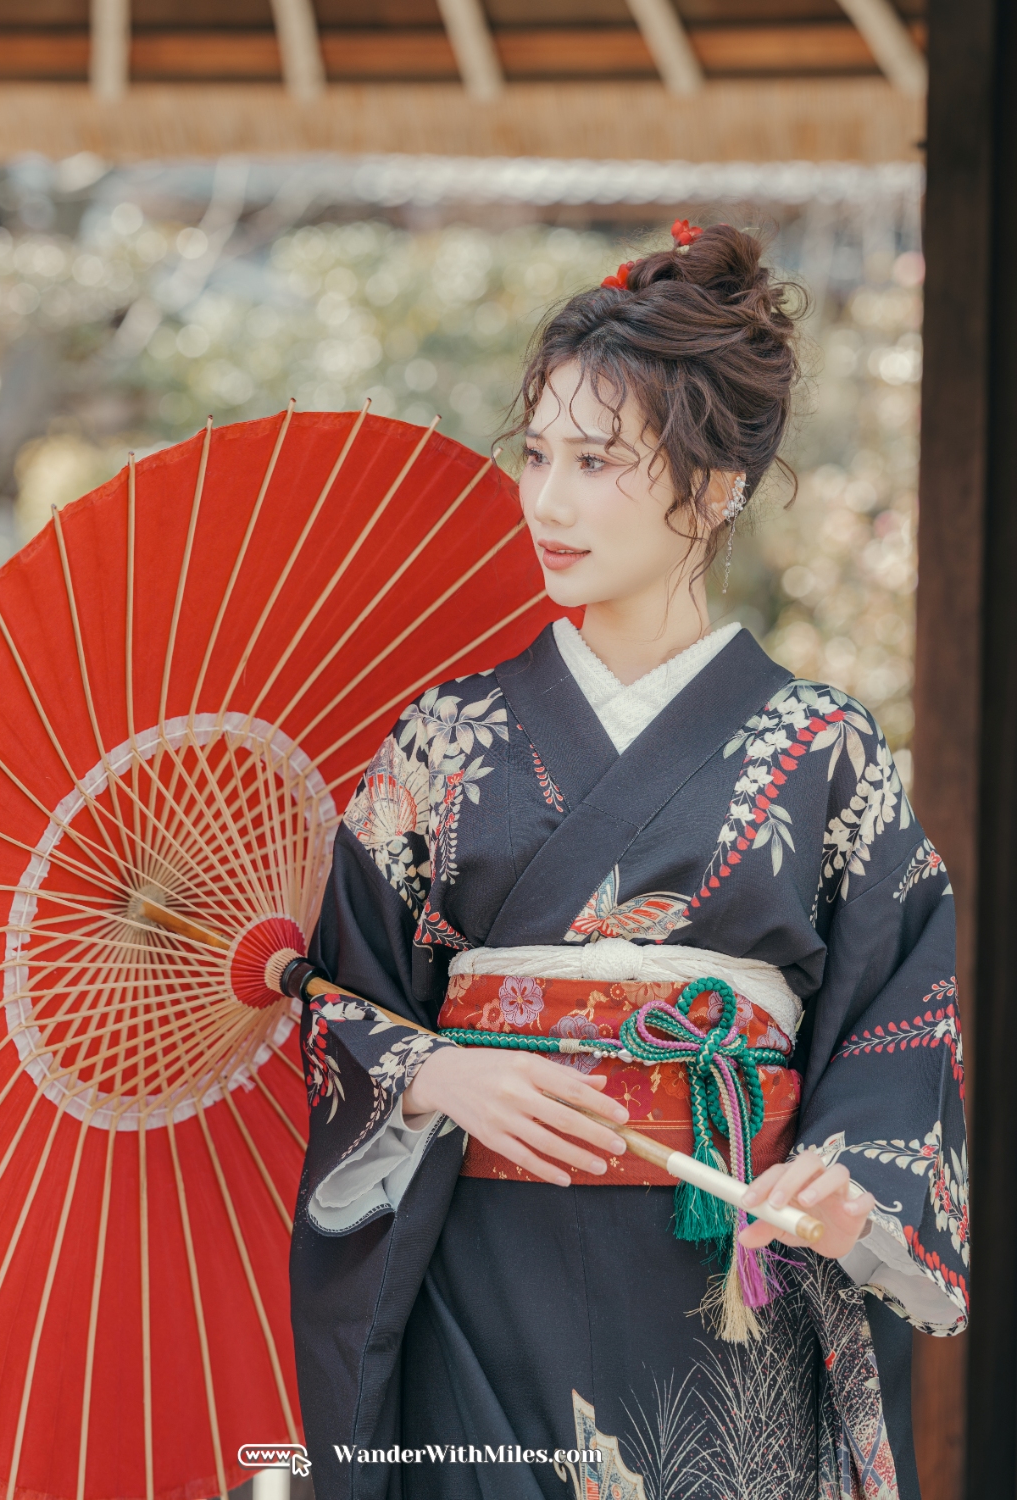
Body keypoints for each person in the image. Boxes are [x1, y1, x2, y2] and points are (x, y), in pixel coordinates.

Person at [288, 223, 966, 1500]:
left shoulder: (824, 750)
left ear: (716, 490)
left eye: (597, 462)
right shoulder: (447, 739)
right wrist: (437, 1075)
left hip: (720, 1300)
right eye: (537, 454)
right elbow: (338, 1001)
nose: (547, 500)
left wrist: (843, 1185)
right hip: (482, 1281)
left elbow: (899, 1026)